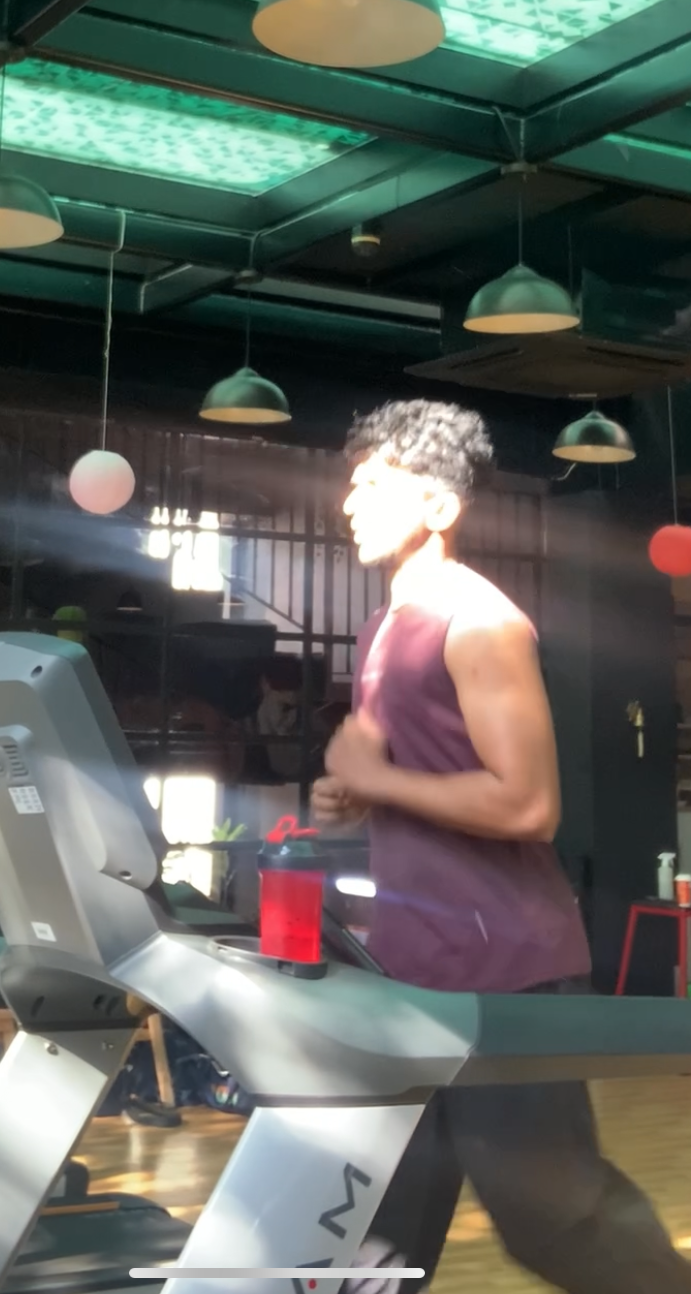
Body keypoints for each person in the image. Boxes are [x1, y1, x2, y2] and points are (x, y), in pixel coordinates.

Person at [313, 399, 691, 1293]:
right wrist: (353, 796)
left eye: (376, 485)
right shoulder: (382, 628)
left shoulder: (478, 620)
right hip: (410, 971)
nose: (350, 504)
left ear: (440, 507)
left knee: (559, 1224)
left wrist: (379, 782)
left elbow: (528, 804)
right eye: (351, 485)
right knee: (374, 1237)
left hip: (500, 973)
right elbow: (415, 779)